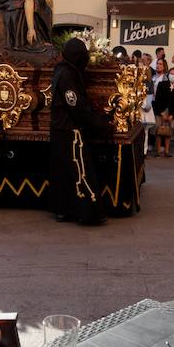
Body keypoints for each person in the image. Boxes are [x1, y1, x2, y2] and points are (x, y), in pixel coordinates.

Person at [49, 37, 111, 225]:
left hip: (60, 129)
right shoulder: (68, 74)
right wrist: (99, 122)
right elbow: (74, 105)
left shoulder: (64, 71)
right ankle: (88, 211)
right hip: (70, 130)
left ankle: (64, 209)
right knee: (80, 172)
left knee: (64, 173)